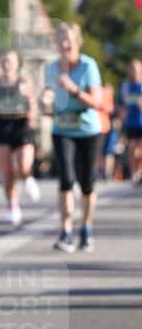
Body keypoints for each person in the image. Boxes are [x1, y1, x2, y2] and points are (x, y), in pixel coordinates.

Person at [41, 22, 102, 252]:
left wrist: (74, 89)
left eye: (68, 40)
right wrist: (45, 101)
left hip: (87, 130)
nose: (64, 45)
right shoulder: (52, 67)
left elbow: (95, 102)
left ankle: (86, 228)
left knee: (86, 182)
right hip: (61, 129)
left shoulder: (88, 66)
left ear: (77, 42)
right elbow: (48, 93)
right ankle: (65, 231)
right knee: (66, 179)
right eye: (60, 40)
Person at [0, 50, 40, 226]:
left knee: (24, 165)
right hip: (2, 126)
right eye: (4, 61)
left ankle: (27, 178)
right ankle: (12, 206)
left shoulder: (23, 82)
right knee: (7, 173)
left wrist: (32, 114)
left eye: (10, 61)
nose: (7, 64)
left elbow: (32, 102)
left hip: (21, 125)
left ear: (17, 64)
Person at [118, 58, 142, 183]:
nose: (133, 71)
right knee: (132, 148)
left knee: (140, 149)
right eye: (131, 68)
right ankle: (135, 172)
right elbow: (121, 105)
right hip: (131, 123)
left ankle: (139, 169)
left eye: (136, 68)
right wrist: (120, 122)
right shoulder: (125, 86)